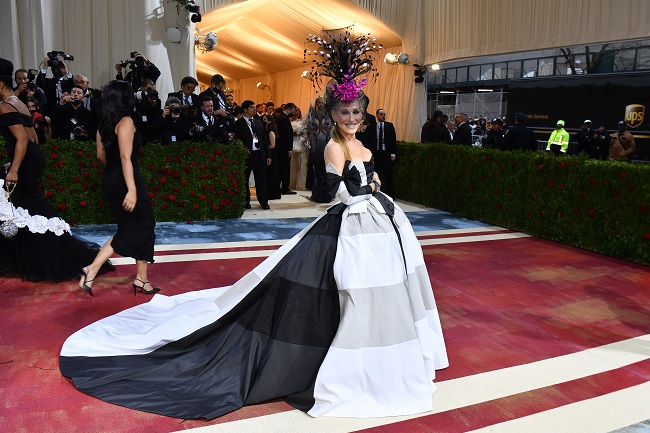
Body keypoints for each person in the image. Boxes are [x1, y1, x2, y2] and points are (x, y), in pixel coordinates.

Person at [59, 32, 448, 421]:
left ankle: (382, 347)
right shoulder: (333, 146)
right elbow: (336, 193)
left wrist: (373, 184)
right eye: (344, 112)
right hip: (353, 223)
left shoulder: (361, 145)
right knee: (350, 288)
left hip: (378, 222)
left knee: (382, 288)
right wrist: (365, 185)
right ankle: (353, 349)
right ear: (333, 114)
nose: (351, 118)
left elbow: (367, 177)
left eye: (356, 112)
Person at [0, 58, 112, 281]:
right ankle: (25, 258)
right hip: (31, 156)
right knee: (20, 207)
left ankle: (57, 254)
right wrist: (15, 161)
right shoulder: (18, 102)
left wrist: (15, 168)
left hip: (26, 159)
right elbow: (33, 137)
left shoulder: (4, 105)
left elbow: (22, 139)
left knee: (29, 206)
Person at [78, 80, 158, 297]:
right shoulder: (126, 121)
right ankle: (94, 268)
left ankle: (141, 279)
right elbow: (125, 157)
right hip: (127, 179)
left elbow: (100, 156)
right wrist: (131, 189)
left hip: (111, 178)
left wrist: (114, 174)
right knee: (144, 223)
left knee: (133, 226)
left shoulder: (102, 124)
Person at [234, 100, 271, 210]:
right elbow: (237, 140)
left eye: (254, 107)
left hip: (259, 154)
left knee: (261, 179)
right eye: (251, 107)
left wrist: (268, 155)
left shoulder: (258, 122)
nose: (254, 109)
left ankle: (264, 202)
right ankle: (246, 202)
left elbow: (264, 140)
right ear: (245, 110)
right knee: (244, 179)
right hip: (246, 155)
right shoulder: (238, 124)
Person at [306, 96, 332, 203]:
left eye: (322, 102)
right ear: (316, 103)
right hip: (316, 144)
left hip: (326, 144)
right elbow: (308, 128)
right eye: (319, 102)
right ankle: (318, 195)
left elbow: (331, 128)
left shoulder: (328, 114)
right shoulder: (312, 114)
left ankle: (327, 195)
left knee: (326, 171)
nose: (321, 104)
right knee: (317, 170)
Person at [374, 108, 397, 197]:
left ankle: (391, 194)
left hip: (386, 153)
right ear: (377, 115)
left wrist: (393, 153)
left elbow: (393, 140)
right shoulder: (374, 126)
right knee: (377, 174)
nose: (383, 116)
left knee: (388, 174)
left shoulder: (389, 126)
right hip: (377, 153)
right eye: (381, 114)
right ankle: (377, 193)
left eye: (384, 114)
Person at [276, 102, 297, 194]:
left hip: (281, 148)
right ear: (289, 109)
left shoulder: (281, 117)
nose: (294, 112)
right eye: (293, 110)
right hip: (284, 148)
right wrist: (289, 149)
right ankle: (285, 188)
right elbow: (286, 135)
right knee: (285, 168)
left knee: (282, 168)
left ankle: (281, 187)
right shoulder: (284, 119)